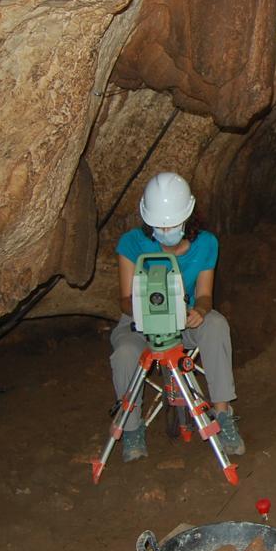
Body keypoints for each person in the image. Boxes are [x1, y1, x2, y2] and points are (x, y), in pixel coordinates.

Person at [109, 172, 244, 461]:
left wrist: (200, 311)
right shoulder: (132, 244)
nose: (166, 229)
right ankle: (131, 430)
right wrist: (149, 313)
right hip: (140, 322)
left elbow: (205, 294)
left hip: (184, 320)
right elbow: (124, 300)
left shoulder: (206, 244)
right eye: (159, 225)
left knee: (216, 325)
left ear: (188, 217)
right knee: (124, 352)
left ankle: (222, 416)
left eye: (172, 223)